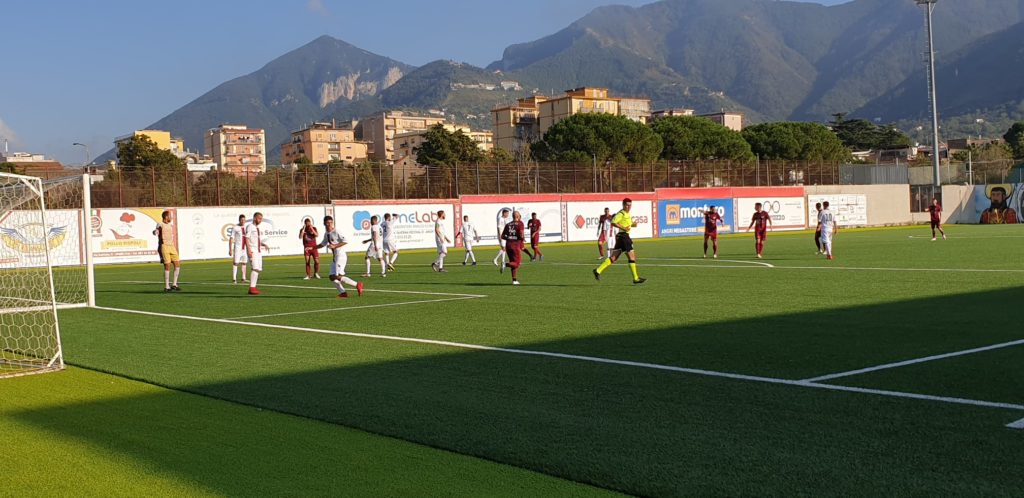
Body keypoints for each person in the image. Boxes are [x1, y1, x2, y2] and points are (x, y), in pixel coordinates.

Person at [593, 198, 646, 284]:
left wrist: (633, 224)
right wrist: (624, 228)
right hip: (624, 237)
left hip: (621, 237)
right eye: (627, 205)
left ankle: (598, 270)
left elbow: (627, 223)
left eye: (630, 205)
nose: (629, 207)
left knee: (613, 258)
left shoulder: (627, 213)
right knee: (632, 257)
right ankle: (635, 278)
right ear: (623, 205)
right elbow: (613, 222)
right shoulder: (621, 213)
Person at [317, 215, 363, 298]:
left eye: (331, 222)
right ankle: (343, 293)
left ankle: (357, 284)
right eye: (328, 223)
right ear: (324, 223)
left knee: (337, 276)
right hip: (335, 258)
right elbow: (323, 244)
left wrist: (335, 246)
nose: (330, 224)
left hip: (340, 256)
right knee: (331, 277)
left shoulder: (336, 231)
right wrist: (313, 247)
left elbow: (345, 241)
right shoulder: (327, 233)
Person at [153, 210, 181, 292]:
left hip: (172, 246)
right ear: (166, 217)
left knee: (177, 264)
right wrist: (155, 232)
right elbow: (156, 230)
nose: (171, 218)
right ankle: (167, 286)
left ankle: (174, 284)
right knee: (167, 265)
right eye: (170, 216)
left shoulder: (170, 225)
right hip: (164, 246)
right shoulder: (160, 224)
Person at [244, 212, 271, 295]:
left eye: (261, 219)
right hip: (253, 250)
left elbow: (256, 240)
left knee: (258, 269)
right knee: (255, 268)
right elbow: (246, 239)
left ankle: (253, 287)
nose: (260, 220)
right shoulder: (250, 227)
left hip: (258, 251)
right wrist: (248, 250)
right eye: (259, 218)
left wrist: (263, 244)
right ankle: (252, 288)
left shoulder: (257, 228)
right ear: (255, 218)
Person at [502, 211, 526, 285]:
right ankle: (505, 265)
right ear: (518, 216)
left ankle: (514, 280)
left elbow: (502, 236)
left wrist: (510, 238)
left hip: (508, 245)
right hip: (515, 245)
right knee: (517, 263)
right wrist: (522, 239)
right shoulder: (520, 223)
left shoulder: (508, 224)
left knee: (512, 262)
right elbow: (521, 234)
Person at [229, 214, 248, 284]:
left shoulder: (247, 227)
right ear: (239, 220)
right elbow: (231, 238)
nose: (243, 221)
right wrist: (230, 249)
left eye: (244, 220)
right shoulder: (235, 228)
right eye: (242, 220)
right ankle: (234, 279)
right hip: (238, 248)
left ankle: (243, 278)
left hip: (245, 248)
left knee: (244, 262)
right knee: (236, 263)